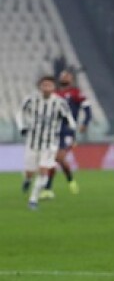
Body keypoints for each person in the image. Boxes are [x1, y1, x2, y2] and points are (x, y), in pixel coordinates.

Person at [16, 76, 76, 210]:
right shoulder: (31, 100)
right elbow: (20, 113)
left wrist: (71, 127)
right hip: (32, 141)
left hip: (50, 143)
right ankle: (27, 180)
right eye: (44, 85)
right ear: (40, 87)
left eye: (49, 85)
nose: (47, 88)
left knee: (44, 171)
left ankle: (33, 200)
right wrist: (22, 127)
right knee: (29, 172)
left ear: (54, 87)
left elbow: (69, 118)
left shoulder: (59, 103)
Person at [42, 70, 91, 198]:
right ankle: (68, 181)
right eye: (62, 75)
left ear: (71, 78)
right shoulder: (55, 94)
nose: (64, 77)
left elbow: (88, 110)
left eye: (67, 75)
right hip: (54, 132)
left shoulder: (76, 93)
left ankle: (48, 187)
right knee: (56, 159)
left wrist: (85, 123)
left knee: (58, 158)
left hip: (68, 131)